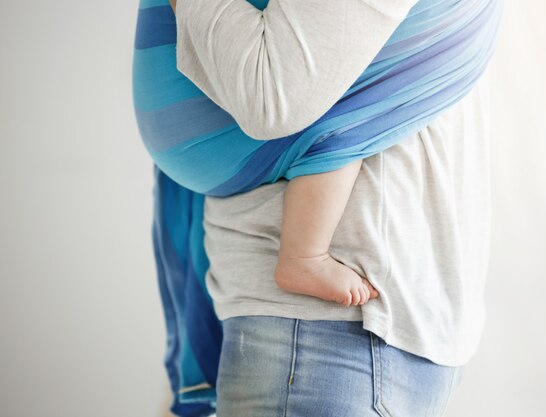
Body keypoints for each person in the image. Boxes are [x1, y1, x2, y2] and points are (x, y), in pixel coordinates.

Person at [165, 0, 496, 415]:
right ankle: (304, 256)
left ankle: (305, 256)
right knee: (340, 130)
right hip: (351, 325)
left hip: (351, 327)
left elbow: (273, 96)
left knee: (339, 136)